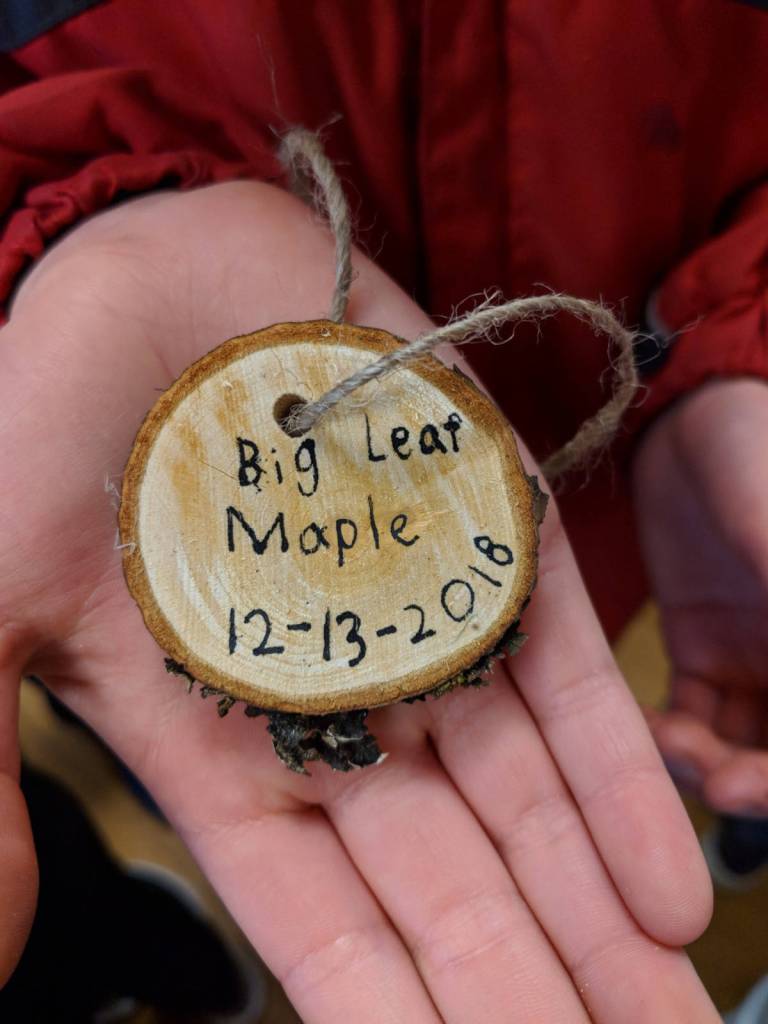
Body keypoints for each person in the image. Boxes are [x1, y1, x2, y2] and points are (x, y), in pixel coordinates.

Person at [1, 2, 767, 1020]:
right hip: (172, 633)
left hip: (585, 485)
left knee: (573, 775)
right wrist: (55, 207)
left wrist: (732, 340)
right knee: (209, 758)